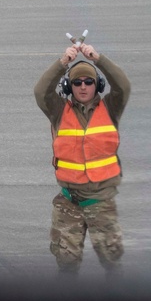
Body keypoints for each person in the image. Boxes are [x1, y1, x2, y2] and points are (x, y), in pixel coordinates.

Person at [34, 40, 131, 278]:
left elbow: (123, 86)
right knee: (66, 264)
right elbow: (40, 92)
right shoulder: (59, 110)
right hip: (69, 202)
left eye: (89, 81)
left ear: (97, 85)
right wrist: (62, 63)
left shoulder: (110, 107)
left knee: (112, 263)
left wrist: (98, 59)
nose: (83, 86)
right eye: (77, 82)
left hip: (101, 201)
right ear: (69, 86)